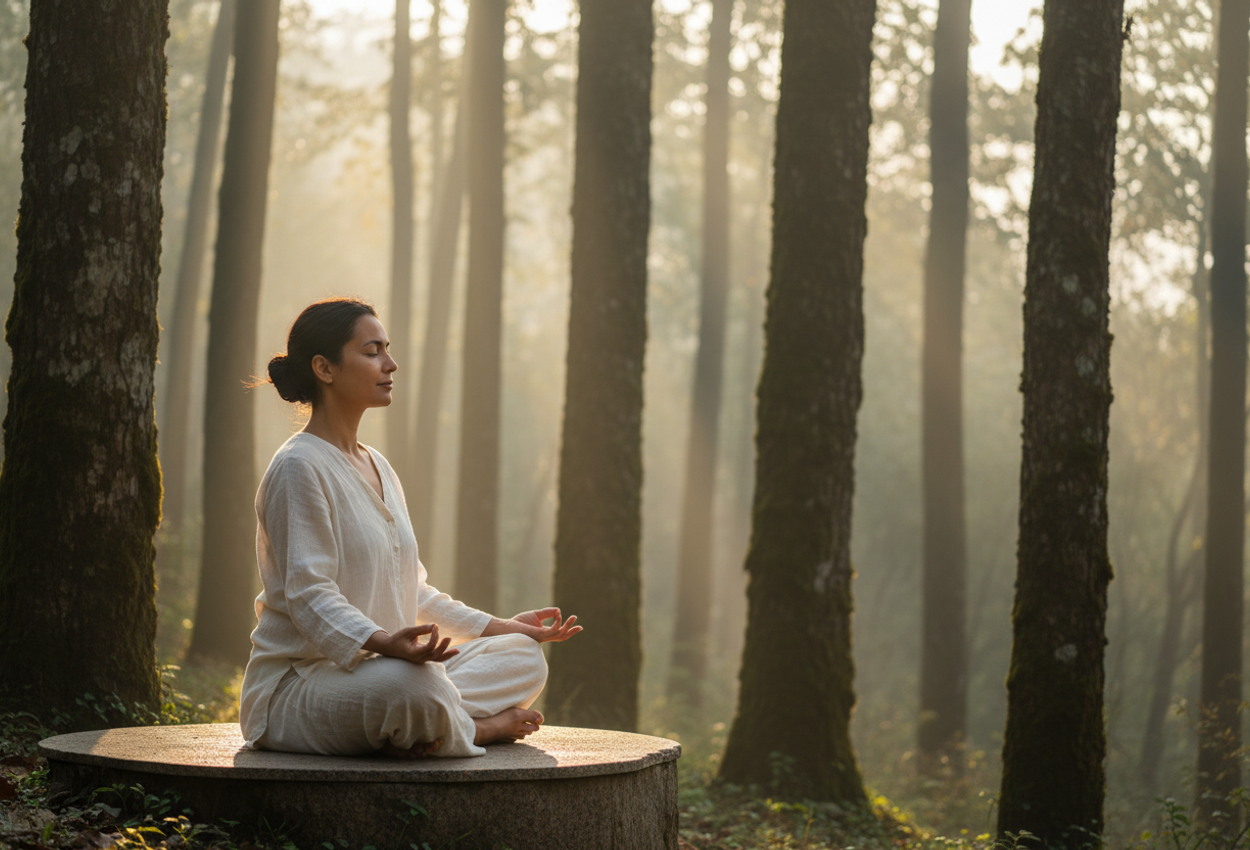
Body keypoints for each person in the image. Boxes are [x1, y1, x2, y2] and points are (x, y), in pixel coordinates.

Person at [239, 297, 580, 759]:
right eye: (372, 351)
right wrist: (384, 643)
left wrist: (501, 627)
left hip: (385, 670)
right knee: (413, 688)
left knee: (521, 655)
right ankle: (476, 730)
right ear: (324, 368)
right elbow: (308, 595)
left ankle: (425, 727)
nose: (390, 363)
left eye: (387, 349)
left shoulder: (378, 465)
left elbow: (414, 590)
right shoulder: (298, 466)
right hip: (298, 686)